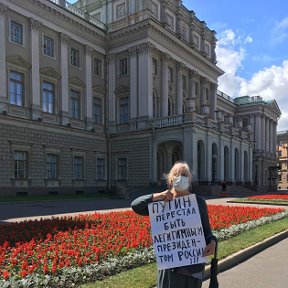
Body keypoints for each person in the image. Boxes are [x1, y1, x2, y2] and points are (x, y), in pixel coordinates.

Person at [131, 161, 217, 288]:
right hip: (169, 268)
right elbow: (136, 206)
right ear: (171, 179)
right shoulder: (162, 203)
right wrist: (157, 196)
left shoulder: (198, 202)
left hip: (192, 269)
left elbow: (207, 232)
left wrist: (213, 242)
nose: (180, 177)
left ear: (189, 178)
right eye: (177, 174)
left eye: (184, 174)